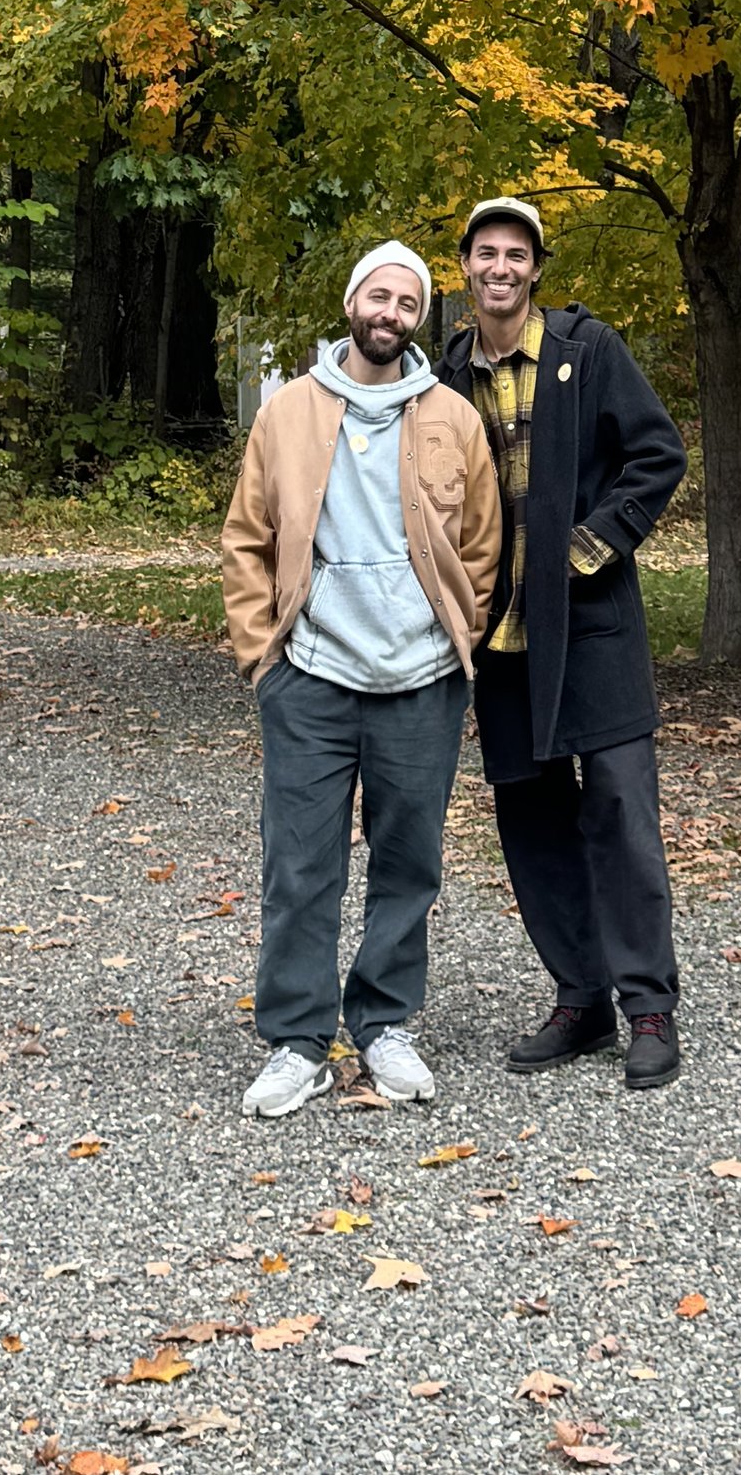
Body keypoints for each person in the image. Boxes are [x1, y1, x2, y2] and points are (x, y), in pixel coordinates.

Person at [219, 237, 499, 1120]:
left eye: (408, 303)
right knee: (299, 864)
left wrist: (462, 633)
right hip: (312, 676)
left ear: (421, 317)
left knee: (409, 862)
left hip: (421, 679)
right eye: (379, 296)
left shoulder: (451, 415)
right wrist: (264, 657)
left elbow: (484, 546)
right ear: (351, 303)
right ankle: (297, 1039)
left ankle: (384, 1022)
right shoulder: (289, 412)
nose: (391, 313)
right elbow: (247, 538)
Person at [440, 196, 689, 1091]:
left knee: (620, 810)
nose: (500, 267)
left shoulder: (589, 353)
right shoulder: (444, 375)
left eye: (516, 254)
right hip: (498, 633)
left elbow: (658, 455)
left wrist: (590, 544)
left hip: (592, 625)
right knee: (531, 819)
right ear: (463, 266)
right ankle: (579, 993)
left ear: (535, 268)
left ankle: (647, 1005)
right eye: (485, 253)